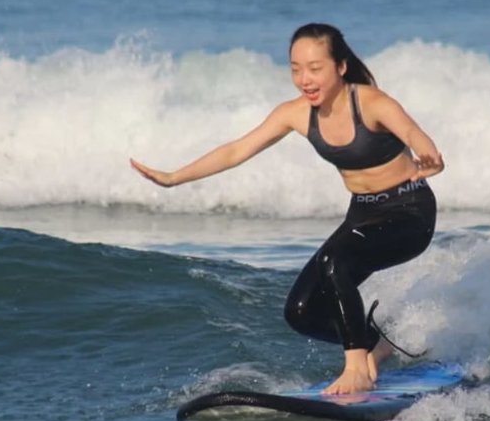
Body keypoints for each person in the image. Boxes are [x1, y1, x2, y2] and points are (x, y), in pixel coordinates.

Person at [130, 23, 444, 395]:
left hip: (408, 212)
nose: (304, 79)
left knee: (334, 264)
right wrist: (174, 178)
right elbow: (236, 150)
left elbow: (415, 136)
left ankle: (357, 366)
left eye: (314, 69)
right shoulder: (295, 113)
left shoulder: (372, 104)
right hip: (362, 215)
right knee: (301, 312)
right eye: (295, 69)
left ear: (340, 67)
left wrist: (429, 158)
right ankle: (376, 345)